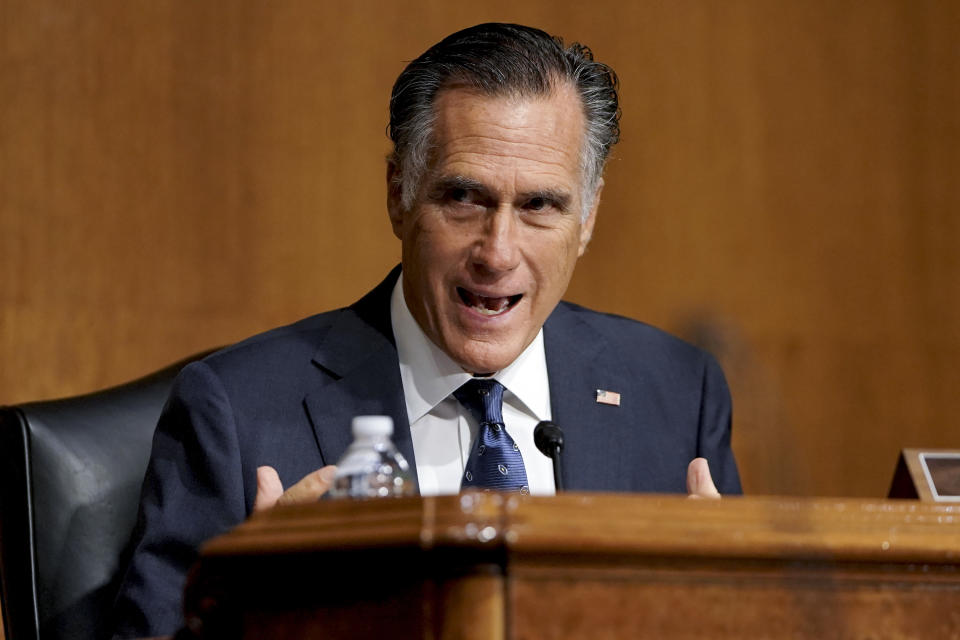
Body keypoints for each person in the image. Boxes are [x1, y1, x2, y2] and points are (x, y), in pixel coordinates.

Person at [112, 22, 741, 639]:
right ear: (398, 195)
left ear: (588, 217)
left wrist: (731, 613)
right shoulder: (237, 412)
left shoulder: (677, 395)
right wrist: (254, 611)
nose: (497, 253)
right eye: (464, 198)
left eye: (539, 206)